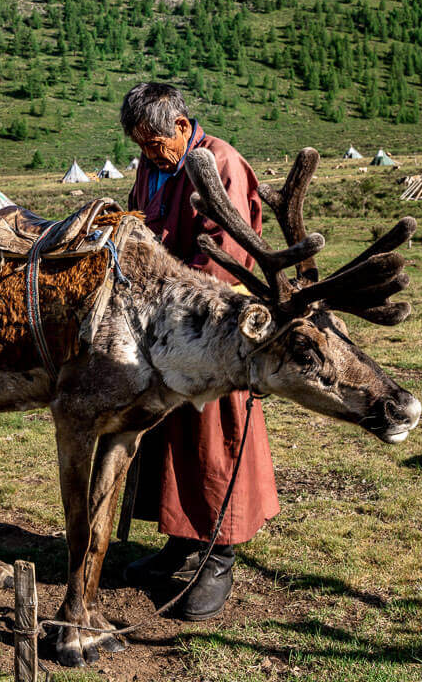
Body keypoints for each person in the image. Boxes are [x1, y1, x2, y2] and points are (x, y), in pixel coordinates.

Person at [120, 82, 279, 620]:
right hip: (163, 324)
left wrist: (164, 283)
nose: (147, 153)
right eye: (140, 143)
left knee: (215, 438)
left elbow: (223, 258)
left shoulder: (222, 165)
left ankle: (220, 556)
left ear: (183, 126)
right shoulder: (149, 166)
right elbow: (136, 226)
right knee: (170, 438)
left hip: (212, 325)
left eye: (154, 141)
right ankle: (181, 541)